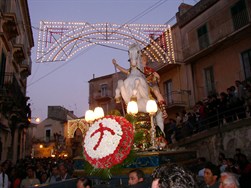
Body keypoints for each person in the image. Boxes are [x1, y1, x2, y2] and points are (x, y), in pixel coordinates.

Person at [112, 55, 168, 119]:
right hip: (141, 84)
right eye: (140, 61)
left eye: (143, 61)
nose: (141, 62)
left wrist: (156, 77)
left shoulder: (149, 69)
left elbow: (157, 77)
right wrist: (116, 65)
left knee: (156, 92)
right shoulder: (133, 70)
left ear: (145, 61)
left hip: (150, 84)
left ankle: (163, 110)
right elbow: (124, 70)